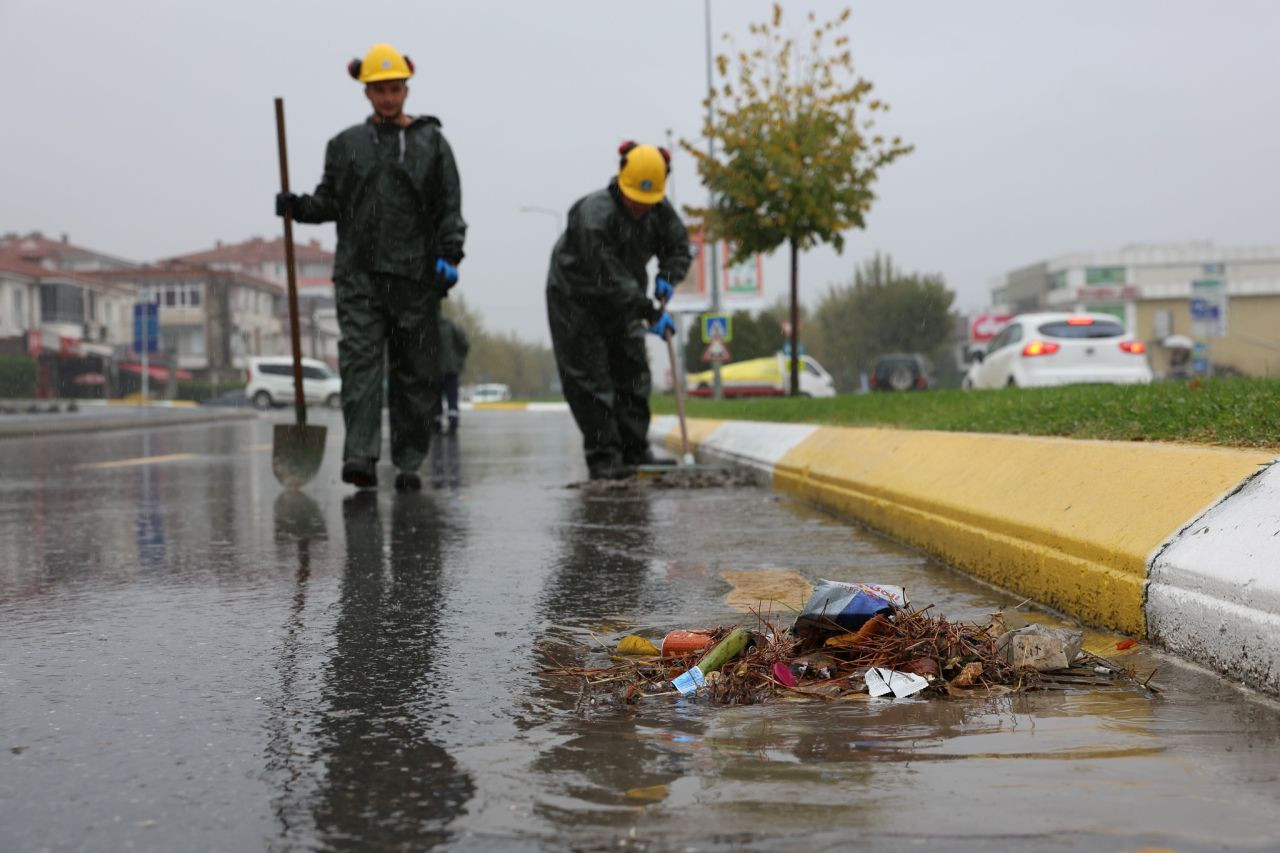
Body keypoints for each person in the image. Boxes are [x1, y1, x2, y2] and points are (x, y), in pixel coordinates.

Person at [276, 43, 465, 492]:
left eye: (394, 88)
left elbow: (449, 206)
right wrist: (297, 207)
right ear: (366, 92)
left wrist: (451, 255)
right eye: (378, 89)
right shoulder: (345, 146)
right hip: (359, 274)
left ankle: (408, 459)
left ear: (406, 88)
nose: (387, 96)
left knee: (414, 372)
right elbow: (329, 202)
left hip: (416, 278)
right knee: (360, 364)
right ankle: (360, 455)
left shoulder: (432, 143)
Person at [545, 141, 691, 480]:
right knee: (591, 379)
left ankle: (634, 450)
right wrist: (649, 311)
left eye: (648, 203)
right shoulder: (594, 216)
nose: (641, 209)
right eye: (634, 201)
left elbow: (678, 246)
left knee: (633, 372)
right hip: (576, 299)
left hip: (625, 298)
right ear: (621, 183)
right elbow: (607, 274)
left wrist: (669, 274)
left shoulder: (658, 208)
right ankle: (605, 458)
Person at [436, 313, 469, 435]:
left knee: (436, 399)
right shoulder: (452, 326)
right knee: (452, 398)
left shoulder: (431, 326)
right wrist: (458, 361)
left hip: (436, 369)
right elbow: (464, 344)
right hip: (451, 369)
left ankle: (436, 424)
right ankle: (453, 423)